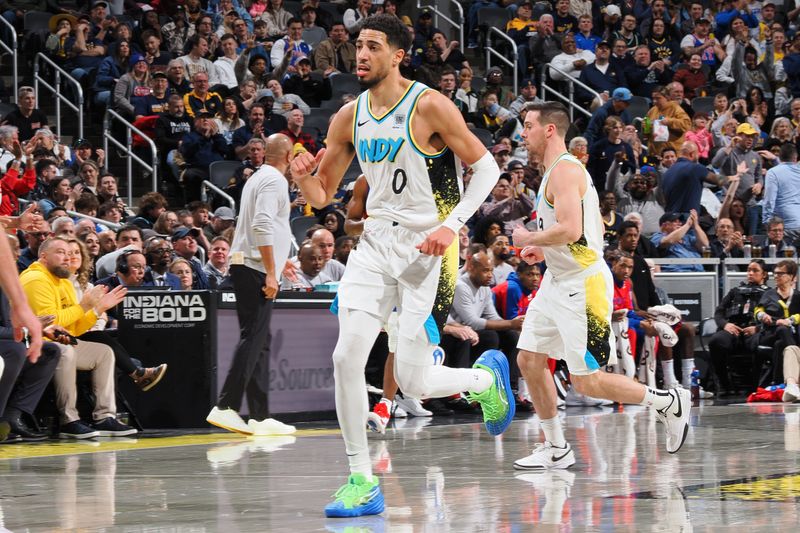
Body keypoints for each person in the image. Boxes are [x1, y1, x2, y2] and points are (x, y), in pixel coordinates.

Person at [289, 14, 512, 518]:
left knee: (412, 382)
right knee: (346, 358)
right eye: (358, 46)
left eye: (372, 46)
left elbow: (488, 168)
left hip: (426, 250)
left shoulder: (430, 105)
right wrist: (302, 177)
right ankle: (361, 478)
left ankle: (483, 382)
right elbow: (323, 193)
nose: (360, 54)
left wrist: (450, 224)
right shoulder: (349, 115)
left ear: (397, 55)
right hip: (372, 246)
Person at [510, 102, 691, 472]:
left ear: (549, 130)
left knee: (587, 380)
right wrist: (538, 248)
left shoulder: (563, 170)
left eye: (528, 126)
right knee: (529, 359)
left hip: (583, 284)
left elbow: (572, 231)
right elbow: (571, 234)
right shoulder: (551, 173)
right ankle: (556, 447)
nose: (522, 133)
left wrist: (528, 235)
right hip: (557, 280)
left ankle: (667, 400)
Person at [206, 134, 298, 438]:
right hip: (256, 268)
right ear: (287, 155)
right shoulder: (275, 181)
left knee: (261, 340)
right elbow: (261, 224)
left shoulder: (259, 177)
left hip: (250, 263)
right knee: (253, 337)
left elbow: (253, 227)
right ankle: (225, 406)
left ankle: (260, 416)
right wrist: (271, 271)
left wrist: (279, 260)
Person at [708, 259, 769, 396]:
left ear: (764, 274)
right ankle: (724, 385)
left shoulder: (770, 293)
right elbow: (719, 312)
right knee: (716, 341)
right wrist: (725, 324)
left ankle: (755, 387)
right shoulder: (735, 291)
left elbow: (773, 316)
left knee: (759, 343)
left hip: (754, 331)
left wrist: (758, 328)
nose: (750, 273)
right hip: (733, 330)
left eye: (755, 270)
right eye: (748, 270)